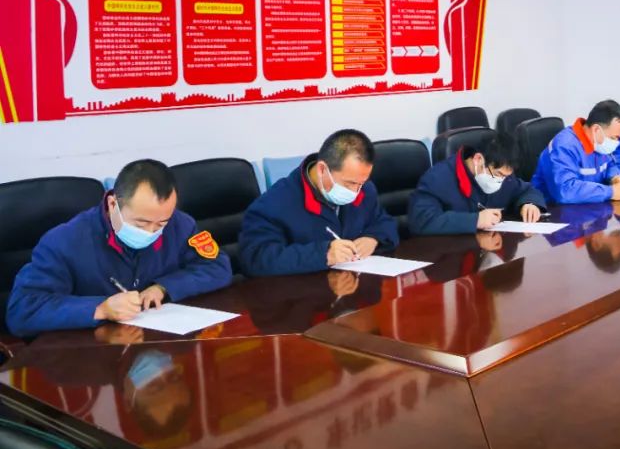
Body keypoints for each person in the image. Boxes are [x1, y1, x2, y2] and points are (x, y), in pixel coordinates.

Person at [6, 159, 232, 338]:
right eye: (141, 223)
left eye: (161, 223)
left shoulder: (180, 224)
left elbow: (218, 266)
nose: (151, 231)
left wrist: (163, 287)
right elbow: (23, 310)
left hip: (155, 344)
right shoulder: (65, 241)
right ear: (113, 203)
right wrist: (100, 308)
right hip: (91, 357)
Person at [238, 129, 398, 277]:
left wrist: (373, 238)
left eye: (361, 183)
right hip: (301, 293)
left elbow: (384, 222)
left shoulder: (365, 190)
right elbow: (255, 259)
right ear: (322, 169)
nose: (355, 192)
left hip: (350, 287)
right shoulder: (275, 203)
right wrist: (323, 254)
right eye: (349, 183)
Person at [408, 132, 546, 235]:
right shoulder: (437, 178)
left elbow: (527, 190)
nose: (501, 181)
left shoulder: (504, 176)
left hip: (490, 252)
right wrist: (475, 220)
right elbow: (421, 221)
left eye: (506, 176)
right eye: (498, 174)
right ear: (478, 159)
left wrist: (530, 203)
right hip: (451, 256)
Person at [532, 99, 620, 204]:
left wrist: (615, 177)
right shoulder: (565, 145)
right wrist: (611, 192)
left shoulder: (599, 144)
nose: (616, 142)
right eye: (613, 137)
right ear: (596, 130)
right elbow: (565, 191)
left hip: (588, 205)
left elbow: (610, 164)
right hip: (553, 208)